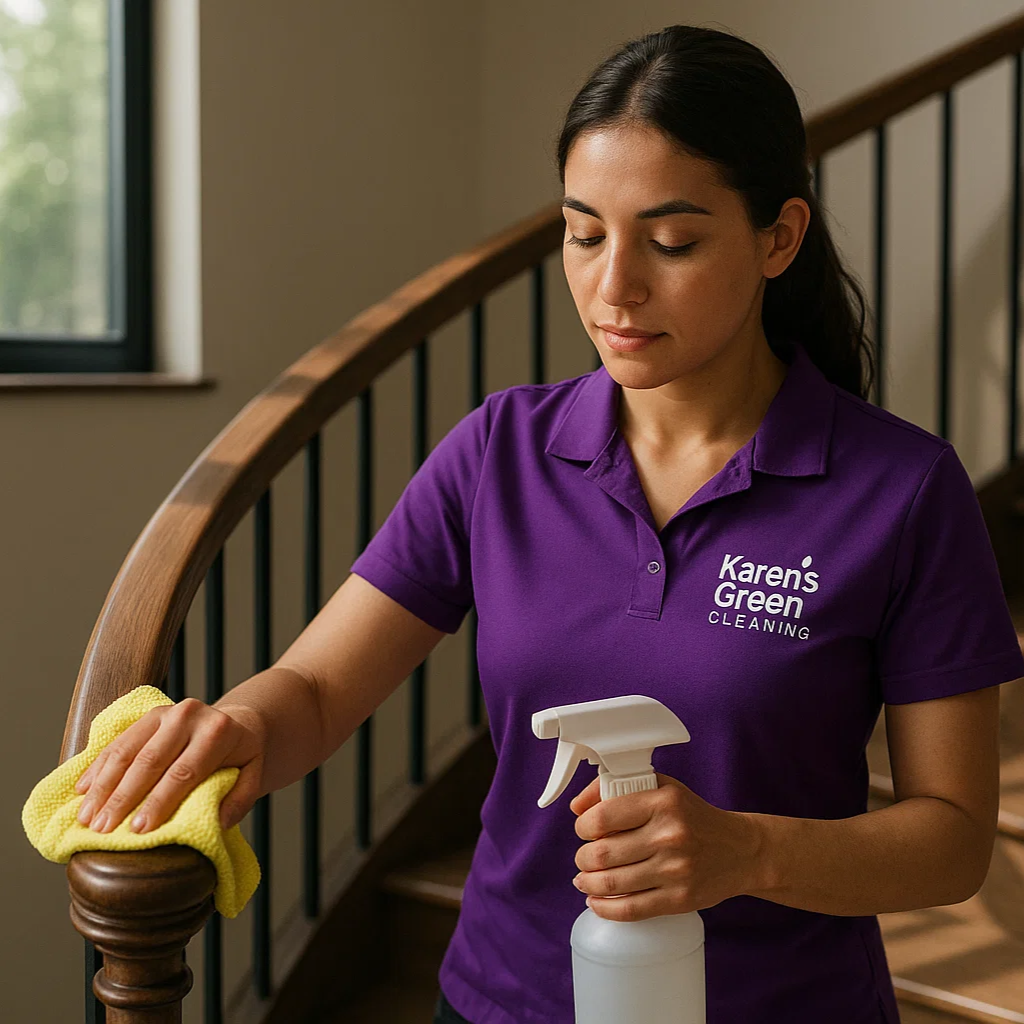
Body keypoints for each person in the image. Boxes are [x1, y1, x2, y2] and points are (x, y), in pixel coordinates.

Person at [71, 22, 1024, 1024]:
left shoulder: (903, 491)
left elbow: (953, 837)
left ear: (778, 237)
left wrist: (747, 850)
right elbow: (314, 686)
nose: (613, 287)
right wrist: (235, 726)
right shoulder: (501, 451)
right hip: (505, 1000)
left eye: (672, 242)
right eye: (582, 233)